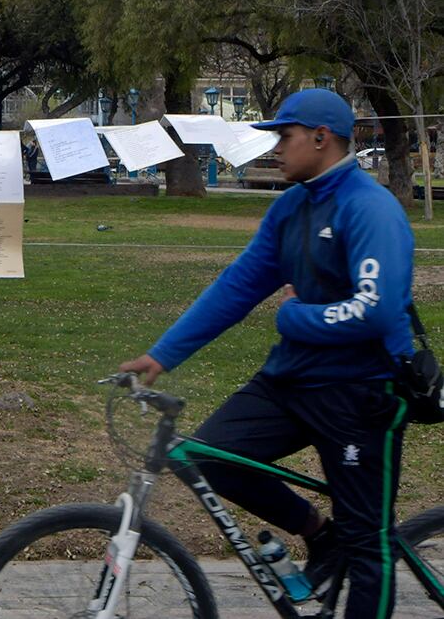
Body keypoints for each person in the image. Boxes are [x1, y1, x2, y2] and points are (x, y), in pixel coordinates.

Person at [119, 89, 413, 618]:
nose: (275, 148)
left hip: (359, 392)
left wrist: (294, 316)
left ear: (321, 139)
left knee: (371, 543)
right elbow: (238, 286)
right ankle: (321, 536)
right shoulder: (292, 208)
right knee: (210, 457)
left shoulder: (370, 208)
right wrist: (161, 356)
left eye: (285, 136)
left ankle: (349, 545)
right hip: (290, 381)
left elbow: (378, 310)